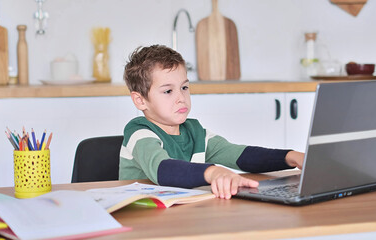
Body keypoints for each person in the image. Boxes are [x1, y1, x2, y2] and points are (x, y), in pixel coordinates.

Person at [120, 45, 304, 199]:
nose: (181, 98)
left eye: (184, 87)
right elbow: (162, 169)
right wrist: (213, 172)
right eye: (168, 91)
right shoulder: (139, 132)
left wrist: (291, 157)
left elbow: (239, 155)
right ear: (140, 100)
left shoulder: (195, 131)